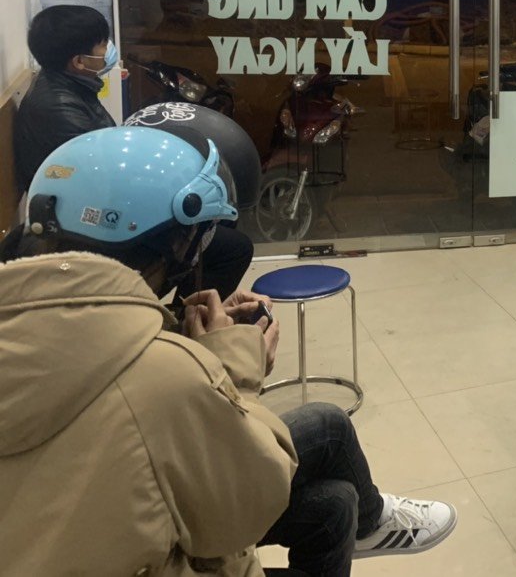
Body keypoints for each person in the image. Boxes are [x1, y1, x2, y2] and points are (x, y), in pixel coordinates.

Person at [0, 127, 456, 576]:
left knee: (335, 505)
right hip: (186, 537)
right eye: (196, 238)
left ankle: (369, 523)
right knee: (330, 432)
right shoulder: (165, 376)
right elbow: (239, 507)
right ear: (168, 243)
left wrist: (175, 328)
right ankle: (374, 523)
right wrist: (233, 369)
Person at [13, 3, 252, 301]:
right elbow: (101, 182)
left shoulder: (70, 86)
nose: (108, 50)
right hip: (87, 228)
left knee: (209, 226)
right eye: (102, 44)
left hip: (86, 215)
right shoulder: (59, 110)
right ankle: (187, 317)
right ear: (79, 61)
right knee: (230, 247)